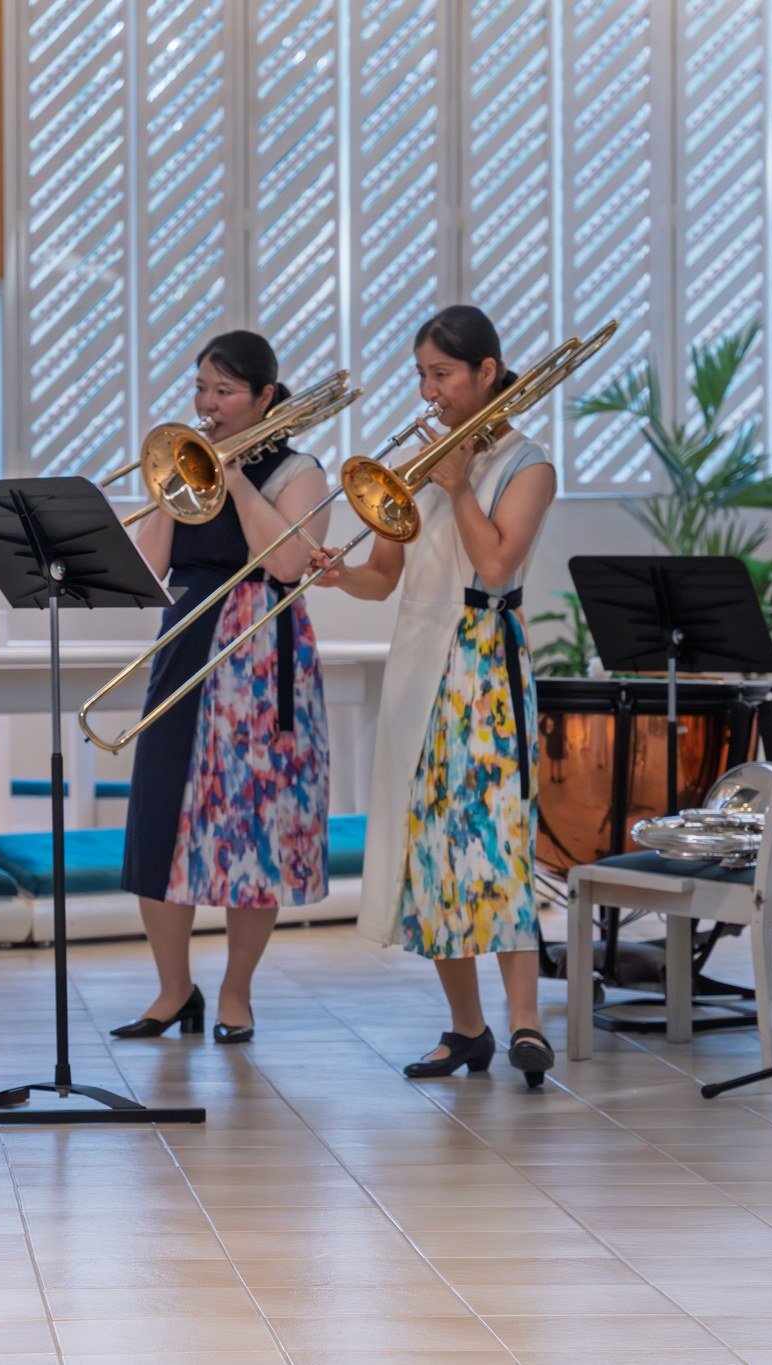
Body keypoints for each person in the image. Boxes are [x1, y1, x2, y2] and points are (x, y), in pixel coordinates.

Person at [312, 304, 557, 1085]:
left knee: (499, 839)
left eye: (442, 374)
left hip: (486, 664)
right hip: (421, 663)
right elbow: (386, 577)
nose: (430, 391)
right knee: (432, 845)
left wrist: (455, 486)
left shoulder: (530, 465)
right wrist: (338, 572)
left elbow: (494, 565)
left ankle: (525, 1023)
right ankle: (467, 1027)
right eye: (422, 374)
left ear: (487, 373)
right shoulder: (416, 468)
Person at [112, 331, 332, 1045]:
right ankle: (174, 990)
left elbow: (290, 560)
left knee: (254, 828)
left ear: (265, 396)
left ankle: (236, 992)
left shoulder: (300, 468)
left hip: (262, 651)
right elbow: (150, 572)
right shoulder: (185, 459)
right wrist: (171, 494)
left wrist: (233, 479)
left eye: (224, 391)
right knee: (157, 818)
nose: (207, 405)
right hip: (187, 638)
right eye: (201, 388)